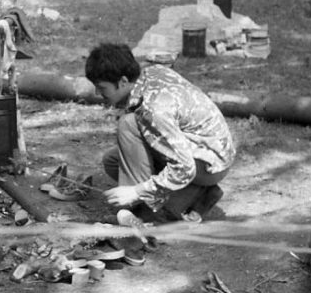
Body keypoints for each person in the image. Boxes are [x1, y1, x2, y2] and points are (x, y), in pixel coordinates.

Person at [85, 43, 236, 223]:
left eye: (102, 87)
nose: (97, 93)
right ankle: (196, 194)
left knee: (128, 124)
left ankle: (142, 213)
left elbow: (185, 168)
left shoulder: (154, 108)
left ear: (123, 81)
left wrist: (135, 191)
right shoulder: (150, 74)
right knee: (113, 162)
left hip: (208, 165)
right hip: (207, 155)